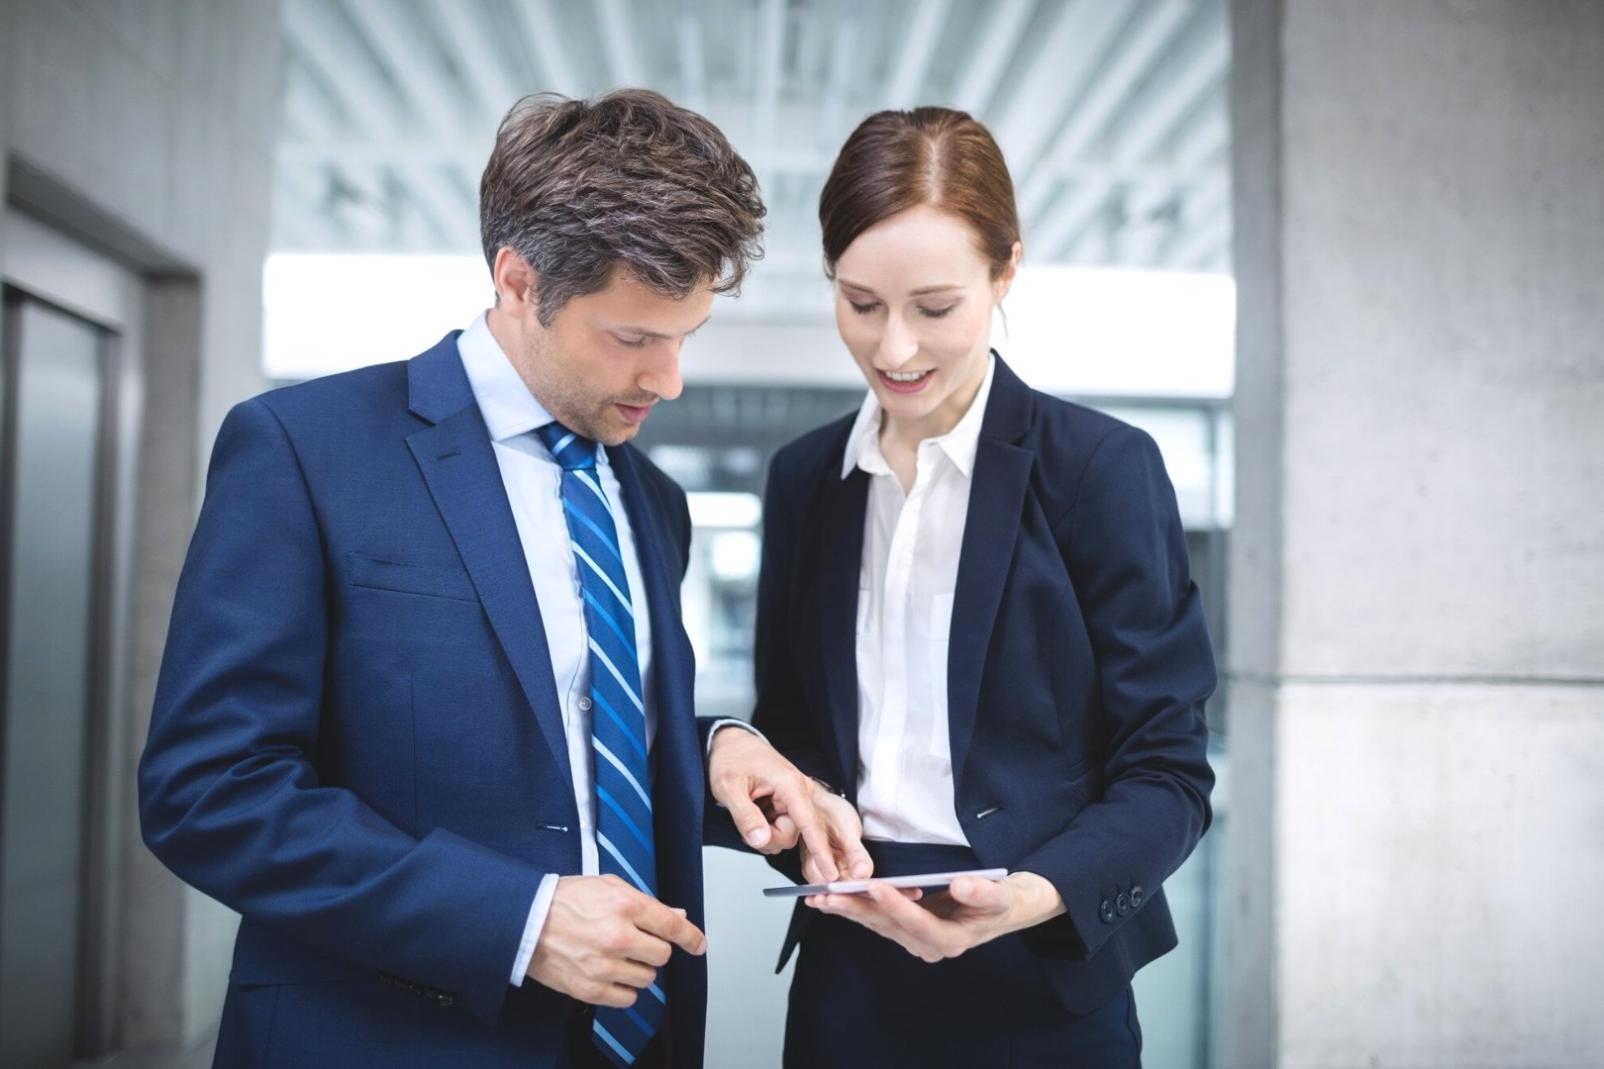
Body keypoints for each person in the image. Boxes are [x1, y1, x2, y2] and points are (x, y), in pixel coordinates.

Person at [138, 89, 841, 1069]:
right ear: (518, 280)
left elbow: (570, 733)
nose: (668, 378)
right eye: (632, 338)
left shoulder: (650, 500)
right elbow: (210, 791)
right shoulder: (305, 450)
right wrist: (518, 918)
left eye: (685, 336)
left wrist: (715, 751)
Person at [751, 107, 1218, 1066]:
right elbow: (790, 727)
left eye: (935, 306)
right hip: (849, 969)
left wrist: (1035, 894)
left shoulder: (1100, 470)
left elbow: (1168, 771)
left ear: (1006, 272)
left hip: (1044, 966)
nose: (893, 350)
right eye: (860, 302)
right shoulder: (806, 481)